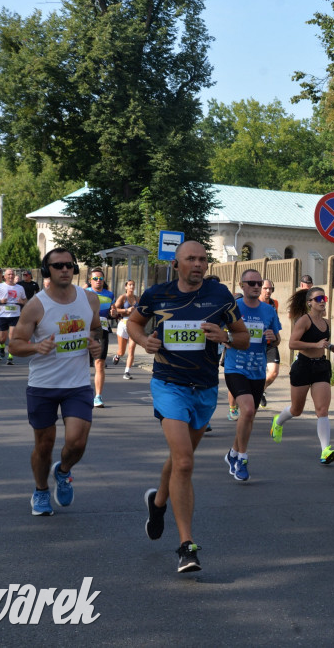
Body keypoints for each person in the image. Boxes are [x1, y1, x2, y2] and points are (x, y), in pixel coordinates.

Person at [128, 240, 249, 573]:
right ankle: (186, 546)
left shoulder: (221, 297)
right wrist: (144, 341)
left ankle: (158, 502)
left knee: (180, 459)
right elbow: (133, 324)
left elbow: (243, 337)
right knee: (184, 461)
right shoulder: (157, 295)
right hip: (169, 385)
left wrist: (224, 336)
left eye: (202, 259)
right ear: (176, 263)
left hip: (206, 389)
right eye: (190, 259)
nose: (197, 264)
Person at [8, 248, 102, 516]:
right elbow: (14, 345)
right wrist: (36, 348)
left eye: (69, 265)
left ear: (75, 269)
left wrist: (95, 344)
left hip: (78, 384)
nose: (64, 269)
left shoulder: (90, 299)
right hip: (43, 385)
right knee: (45, 444)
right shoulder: (36, 305)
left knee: (77, 443)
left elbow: (94, 328)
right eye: (58, 265)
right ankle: (40, 490)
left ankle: (63, 472)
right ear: (47, 270)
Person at [269, 286, 334, 465]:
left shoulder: (326, 323)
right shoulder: (304, 320)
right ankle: (278, 421)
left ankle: (325, 450)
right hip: (303, 366)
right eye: (318, 299)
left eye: (324, 298)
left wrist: (330, 347)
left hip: (321, 367)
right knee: (296, 409)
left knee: (322, 410)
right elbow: (292, 343)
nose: (322, 301)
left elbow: (321, 343)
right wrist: (316, 345)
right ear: (310, 303)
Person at [223, 269, 281, 481]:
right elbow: (220, 335)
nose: (256, 286)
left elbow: (277, 340)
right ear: (242, 285)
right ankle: (242, 459)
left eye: (259, 283)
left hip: (258, 370)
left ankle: (232, 453)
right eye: (252, 283)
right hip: (235, 367)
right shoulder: (233, 309)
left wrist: (272, 337)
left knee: (249, 416)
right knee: (246, 409)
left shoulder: (268, 310)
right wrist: (230, 338)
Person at [85, 268, 114, 408]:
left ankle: (98, 396)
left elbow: (112, 313)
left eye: (100, 278)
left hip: (102, 331)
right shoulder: (85, 293)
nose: (98, 281)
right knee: (80, 363)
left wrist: (114, 313)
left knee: (100, 364)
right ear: (90, 281)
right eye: (95, 278)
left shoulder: (110, 295)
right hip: (85, 331)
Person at [0, 268, 28, 364]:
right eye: (9, 274)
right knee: (2, 338)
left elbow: (25, 300)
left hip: (15, 314)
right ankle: (2, 347)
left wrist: (22, 302)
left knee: (12, 336)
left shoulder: (20, 288)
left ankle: (10, 356)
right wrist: (0, 302)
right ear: (4, 276)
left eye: (12, 274)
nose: (11, 276)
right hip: (2, 315)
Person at [259, 279, 282, 409]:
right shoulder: (255, 304)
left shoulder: (274, 304)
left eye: (270, 289)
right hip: (256, 343)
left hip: (270, 342)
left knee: (273, 372)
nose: (268, 291)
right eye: (265, 288)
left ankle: (260, 390)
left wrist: (277, 337)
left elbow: (275, 323)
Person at [110, 279, 139, 379]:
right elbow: (115, 309)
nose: (132, 287)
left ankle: (127, 372)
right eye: (130, 285)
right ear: (126, 287)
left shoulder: (137, 299)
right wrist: (126, 310)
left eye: (133, 285)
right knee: (122, 352)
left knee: (131, 349)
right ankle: (117, 356)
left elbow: (142, 310)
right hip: (123, 324)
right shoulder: (123, 297)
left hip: (134, 325)